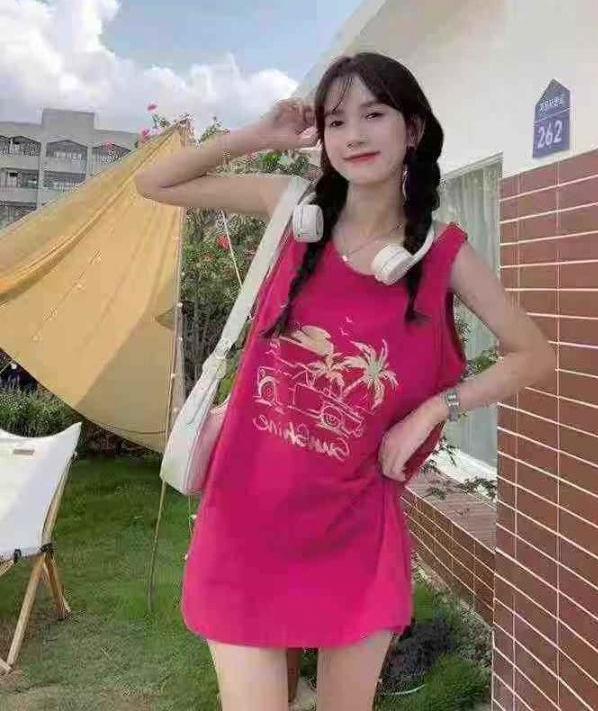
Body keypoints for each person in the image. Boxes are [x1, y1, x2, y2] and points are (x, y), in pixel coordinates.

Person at [135, 51, 555, 711]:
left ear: (412, 129)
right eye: (336, 121)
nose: (354, 135)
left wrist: (435, 410)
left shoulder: (442, 256)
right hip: (244, 524)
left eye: (374, 114)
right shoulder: (291, 210)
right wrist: (260, 135)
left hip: (355, 533)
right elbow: (154, 183)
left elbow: (533, 354)